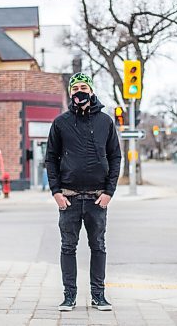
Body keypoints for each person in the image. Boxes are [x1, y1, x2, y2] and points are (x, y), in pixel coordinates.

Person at [45, 72, 121, 312]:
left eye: (83, 87)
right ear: (70, 92)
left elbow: (115, 157)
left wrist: (109, 191)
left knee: (98, 246)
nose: (80, 91)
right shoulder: (61, 122)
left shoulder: (106, 122)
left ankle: (99, 296)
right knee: (68, 247)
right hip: (68, 198)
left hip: (98, 199)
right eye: (75, 87)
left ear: (91, 90)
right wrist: (56, 192)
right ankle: (69, 296)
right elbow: (51, 159)